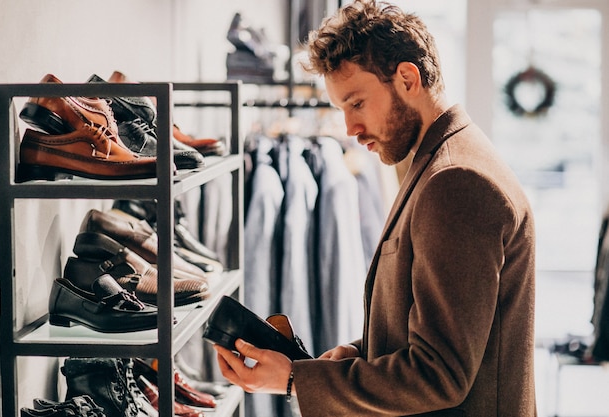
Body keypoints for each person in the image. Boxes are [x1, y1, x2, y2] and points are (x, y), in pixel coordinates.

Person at [214, 0, 537, 415]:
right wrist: (355, 353)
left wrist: (295, 379)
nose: (349, 129)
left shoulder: (456, 181)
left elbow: (440, 373)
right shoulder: (440, 162)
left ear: (407, 78)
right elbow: (440, 327)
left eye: (357, 103)